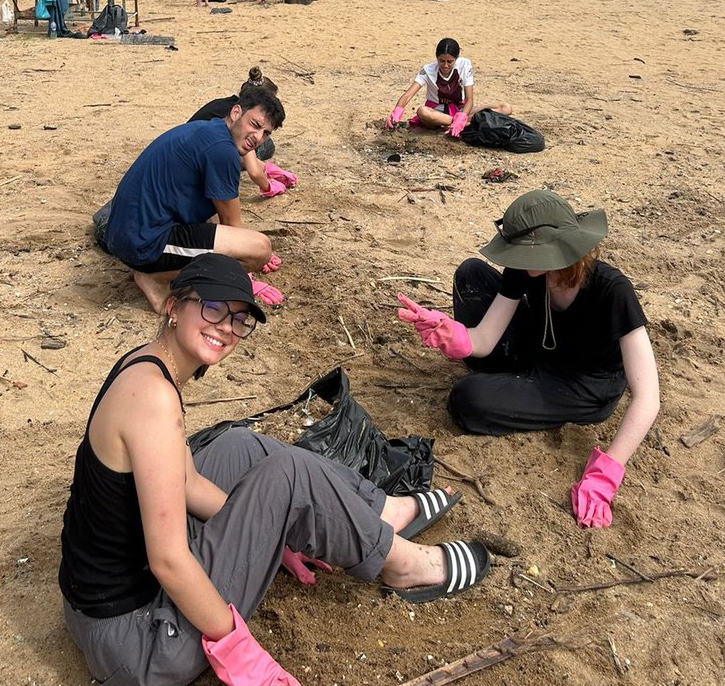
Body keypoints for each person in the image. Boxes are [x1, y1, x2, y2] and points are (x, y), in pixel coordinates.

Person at [59, 253, 491, 686]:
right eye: (212, 308)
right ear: (173, 305)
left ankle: (378, 514)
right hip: (138, 639)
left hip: (94, 609)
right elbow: (168, 560)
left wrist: (269, 531)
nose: (226, 327)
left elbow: (187, 483)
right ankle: (402, 563)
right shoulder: (154, 399)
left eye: (240, 319)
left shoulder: (148, 364)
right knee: (288, 474)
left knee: (238, 445)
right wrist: (241, 653)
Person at [397, 190, 660, 529]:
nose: (520, 261)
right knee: (472, 274)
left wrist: (606, 473)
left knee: (469, 399)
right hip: (540, 349)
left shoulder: (612, 290)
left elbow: (648, 397)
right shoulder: (525, 270)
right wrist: (454, 335)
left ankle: (514, 386)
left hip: (581, 384)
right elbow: (485, 338)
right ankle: (515, 381)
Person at [100, 86, 285, 312]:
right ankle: (155, 279)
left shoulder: (210, 129)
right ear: (236, 112)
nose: (258, 138)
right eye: (255, 125)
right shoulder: (222, 151)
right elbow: (233, 226)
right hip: (142, 244)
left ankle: (158, 268)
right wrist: (243, 275)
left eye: (266, 133)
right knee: (260, 248)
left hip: (124, 232)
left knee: (232, 235)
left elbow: (218, 212)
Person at [187, 67, 295, 199]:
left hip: (193, 149)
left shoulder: (226, 105)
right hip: (195, 166)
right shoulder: (237, 123)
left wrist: (268, 168)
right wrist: (269, 186)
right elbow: (253, 171)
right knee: (260, 148)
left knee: (265, 145)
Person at [385, 37, 512, 137]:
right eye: (441, 61)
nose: (445, 65)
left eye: (449, 62)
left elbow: (469, 99)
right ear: (436, 58)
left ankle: (460, 123)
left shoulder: (465, 65)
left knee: (505, 108)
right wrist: (397, 111)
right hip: (437, 111)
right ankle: (464, 123)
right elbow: (408, 94)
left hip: (461, 109)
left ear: (456, 59)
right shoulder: (428, 70)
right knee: (422, 112)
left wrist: (461, 117)